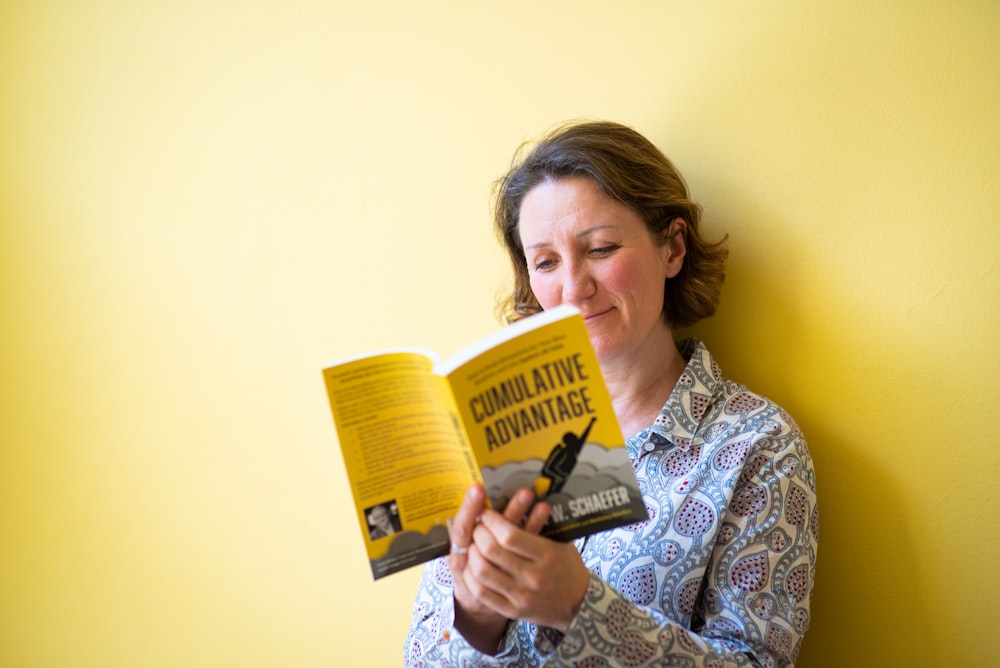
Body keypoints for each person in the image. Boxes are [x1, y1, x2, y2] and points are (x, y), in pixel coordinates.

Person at [404, 120, 818, 667]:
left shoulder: (755, 445)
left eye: (599, 248)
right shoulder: (490, 439)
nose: (573, 286)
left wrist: (580, 609)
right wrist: (478, 619)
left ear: (672, 249)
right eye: (546, 262)